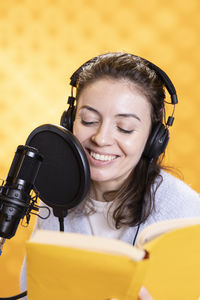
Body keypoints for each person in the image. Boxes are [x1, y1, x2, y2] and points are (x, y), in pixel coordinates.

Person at [20, 52, 200, 299]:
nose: (101, 139)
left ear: (153, 140)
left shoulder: (185, 212)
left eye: (124, 128)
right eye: (88, 120)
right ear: (70, 120)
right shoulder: (56, 197)